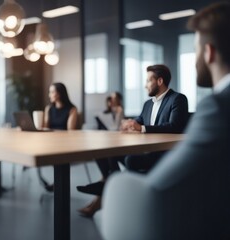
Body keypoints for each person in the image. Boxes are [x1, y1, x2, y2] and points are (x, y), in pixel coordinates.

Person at [103, 3, 230, 238]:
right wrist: (133, 124)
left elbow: (161, 184)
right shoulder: (150, 103)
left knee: (118, 187)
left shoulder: (216, 106)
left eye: (196, 50)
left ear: (209, 52)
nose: (193, 62)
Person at [78, 64, 189, 217]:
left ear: (160, 81)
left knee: (130, 160)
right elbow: (139, 120)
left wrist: (142, 128)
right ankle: (109, 184)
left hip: (164, 155)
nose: (145, 85)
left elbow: (174, 126)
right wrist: (129, 124)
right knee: (108, 152)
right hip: (147, 151)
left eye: (148, 81)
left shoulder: (178, 99)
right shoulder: (148, 104)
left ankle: (108, 188)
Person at [38, 82, 78, 191]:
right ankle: (56, 182)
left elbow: (71, 131)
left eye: (51, 92)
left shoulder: (72, 109)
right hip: (51, 142)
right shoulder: (48, 109)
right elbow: (45, 127)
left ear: (59, 94)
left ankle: (59, 183)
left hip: (65, 143)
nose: (49, 95)